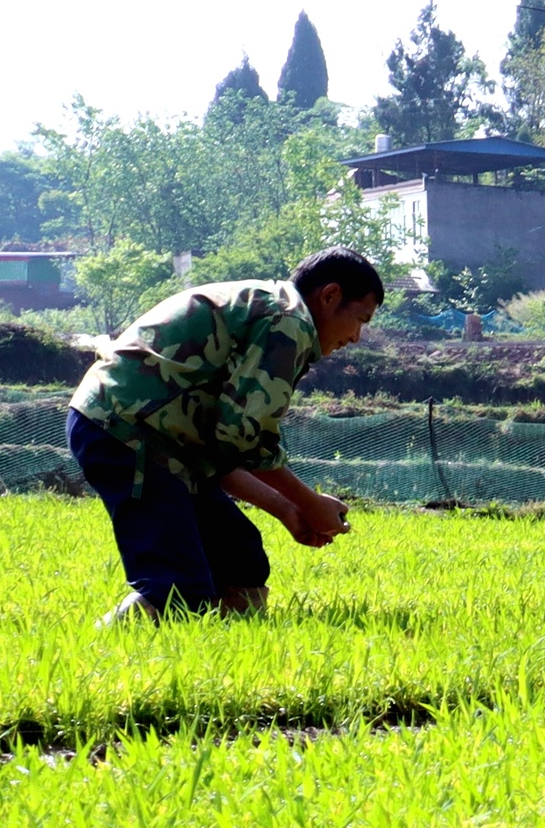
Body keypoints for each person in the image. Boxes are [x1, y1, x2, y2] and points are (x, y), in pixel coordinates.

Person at [64, 248, 387, 624]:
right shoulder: (289, 322)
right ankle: (116, 652)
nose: (357, 337)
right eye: (360, 319)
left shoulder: (271, 311)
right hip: (127, 432)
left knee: (240, 562)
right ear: (329, 296)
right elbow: (242, 437)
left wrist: (288, 509)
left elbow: (219, 449)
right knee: (177, 590)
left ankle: (228, 645)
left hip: (162, 441)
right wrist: (309, 500)